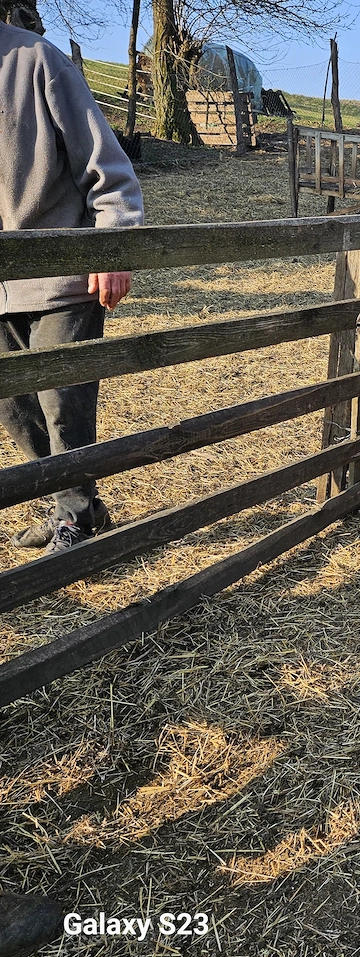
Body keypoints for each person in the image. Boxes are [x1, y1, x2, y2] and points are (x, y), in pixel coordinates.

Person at [0, 6, 144, 556]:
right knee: (13, 409)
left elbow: (108, 166)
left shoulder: (38, 60)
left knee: (63, 403)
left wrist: (112, 247)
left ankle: (76, 519)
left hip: (61, 275)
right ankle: (74, 503)